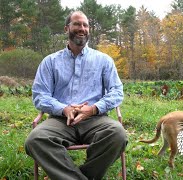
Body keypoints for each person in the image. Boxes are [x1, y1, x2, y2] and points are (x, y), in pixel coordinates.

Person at [25, 11, 127, 180]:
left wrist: (93, 109)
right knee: (35, 140)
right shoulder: (50, 62)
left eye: (85, 25)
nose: (82, 28)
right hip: (60, 120)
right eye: (77, 24)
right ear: (67, 28)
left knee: (118, 135)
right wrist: (64, 109)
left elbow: (116, 91)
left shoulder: (104, 60)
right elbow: (39, 95)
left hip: (96, 119)